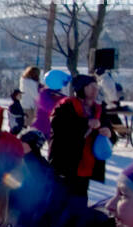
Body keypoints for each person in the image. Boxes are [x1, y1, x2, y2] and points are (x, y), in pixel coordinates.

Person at [48, 74, 116, 203]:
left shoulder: (98, 109)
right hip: (66, 162)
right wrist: (85, 123)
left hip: (86, 165)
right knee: (60, 200)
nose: (95, 89)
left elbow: (110, 132)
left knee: (79, 202)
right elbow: (57, 125)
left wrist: (109, 132)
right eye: (90, 86)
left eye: (96, 86)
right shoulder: (66, 105)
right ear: (81, 88)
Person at [32, 68, 70, 138]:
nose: (65, 86)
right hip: (42, 126)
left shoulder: (60, 95)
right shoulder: (44, 93)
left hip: (53, 127)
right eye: (64, 83)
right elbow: (50, 107)